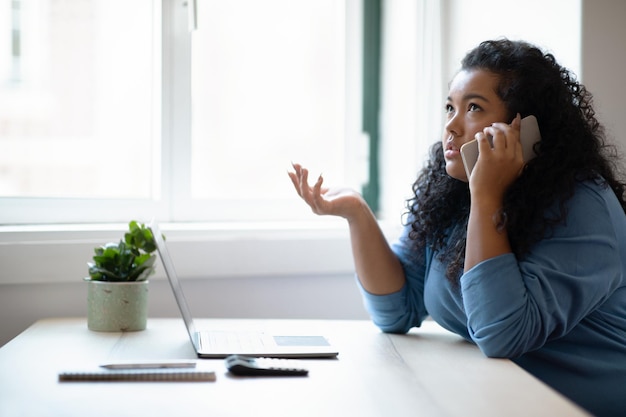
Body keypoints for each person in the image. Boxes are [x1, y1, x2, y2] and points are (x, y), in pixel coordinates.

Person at [288, 39, 626, 417]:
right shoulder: (452, 191)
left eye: (473, 108)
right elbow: (397, 310)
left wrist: (486, 199)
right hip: (497, 399)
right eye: (450, 106)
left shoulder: (581, 204)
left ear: (526, 129)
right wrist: (357, 213)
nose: (450, 125)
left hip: (580, 406)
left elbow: (504, 333)